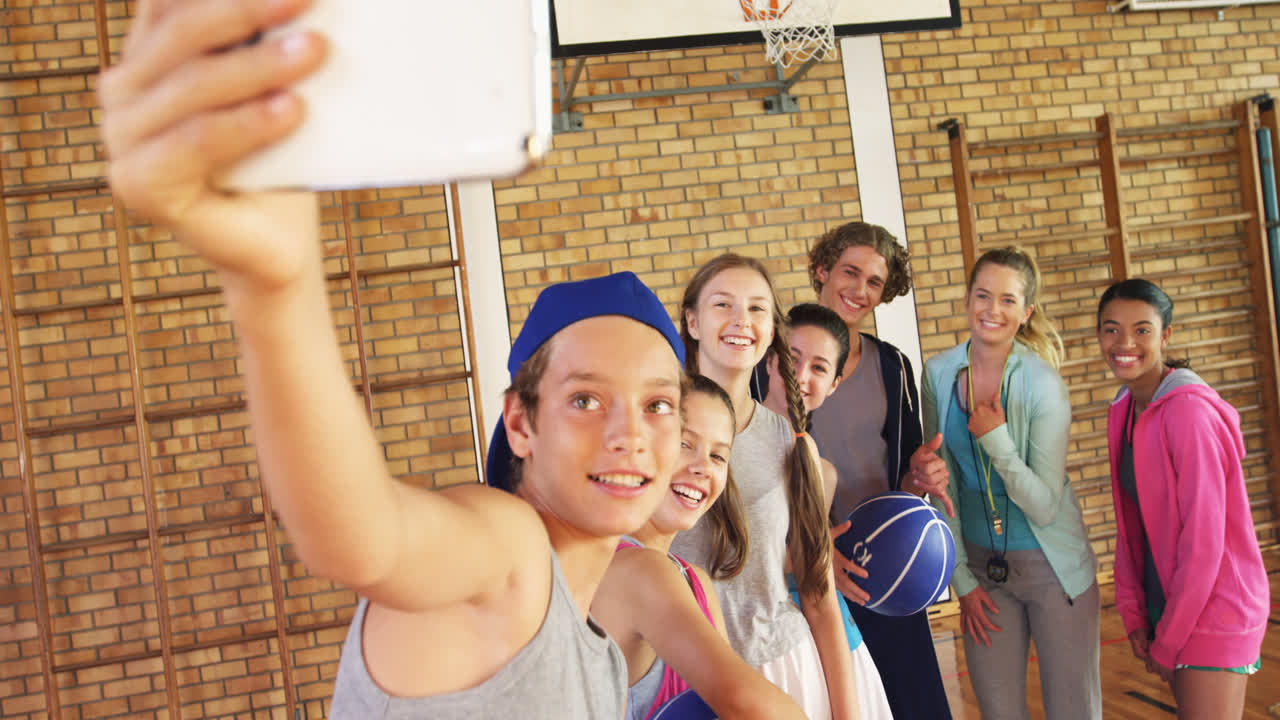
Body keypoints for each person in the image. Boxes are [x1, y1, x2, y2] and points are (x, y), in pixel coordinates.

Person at [99, 2, 687, 717]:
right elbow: (367, 539)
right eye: (586, 400)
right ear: (521, 425)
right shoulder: (507, 553)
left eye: (657, 404)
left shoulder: (599, 656)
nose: (629, 433)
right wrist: (276, 286)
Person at [672, 254, 859, 720]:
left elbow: (819, 597)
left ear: (771, 331)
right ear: (692, 321)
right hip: (683, 686)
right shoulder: (650, 430)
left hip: (782, 671)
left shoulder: (791, 445)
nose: (741, 321)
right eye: (723, 305)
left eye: (757, 308)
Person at [783, 222, 953, 719]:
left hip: (886, 568)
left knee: (917, 705)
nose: (859, 290)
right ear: (822, 271)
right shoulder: (776, 364)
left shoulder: (893, 367)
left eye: (874, 282)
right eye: (849, 272)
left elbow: (900, 481)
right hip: (811, 570)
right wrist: (813, 554)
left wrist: (917, 478)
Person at [925, 246, 1100, 720]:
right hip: (984, 573)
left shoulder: (1043, 384)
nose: (992, 310)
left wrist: (997, 441)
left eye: (1007, 300)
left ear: (1026, 313)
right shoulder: (938, 374)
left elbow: (1043, 507)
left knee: (1072, 712)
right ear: (967, 300)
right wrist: (961, 580)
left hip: (1052, 569)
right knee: (998, 710)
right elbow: (945, 489)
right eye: (983, 296)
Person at [1097, 279, 1268, 719]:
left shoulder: (1189, 413)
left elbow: (1205, 543)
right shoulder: (1125, 408)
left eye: (1142, 330)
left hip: (1216, 610)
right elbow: (1130, 525)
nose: (1125, 343)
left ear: (1166, 334)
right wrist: (1137, 615)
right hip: (1170, 605)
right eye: (1111, 329)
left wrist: (1169, 639)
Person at [593, 374, 807, 720]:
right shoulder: (637, 571)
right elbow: (748, 704)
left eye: (719, 456)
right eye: (684, 443)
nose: (703, 467)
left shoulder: (694, 582)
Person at [762, 303, 894, 720]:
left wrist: (817, 558)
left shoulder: (822, 472)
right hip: (763, 647)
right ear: (770, 360)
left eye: (819, 368)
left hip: (830, 644)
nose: (801, 377)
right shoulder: (720, 448)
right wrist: (809, 555)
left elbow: (813, 583)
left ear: (835, 384)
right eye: (793, 359)